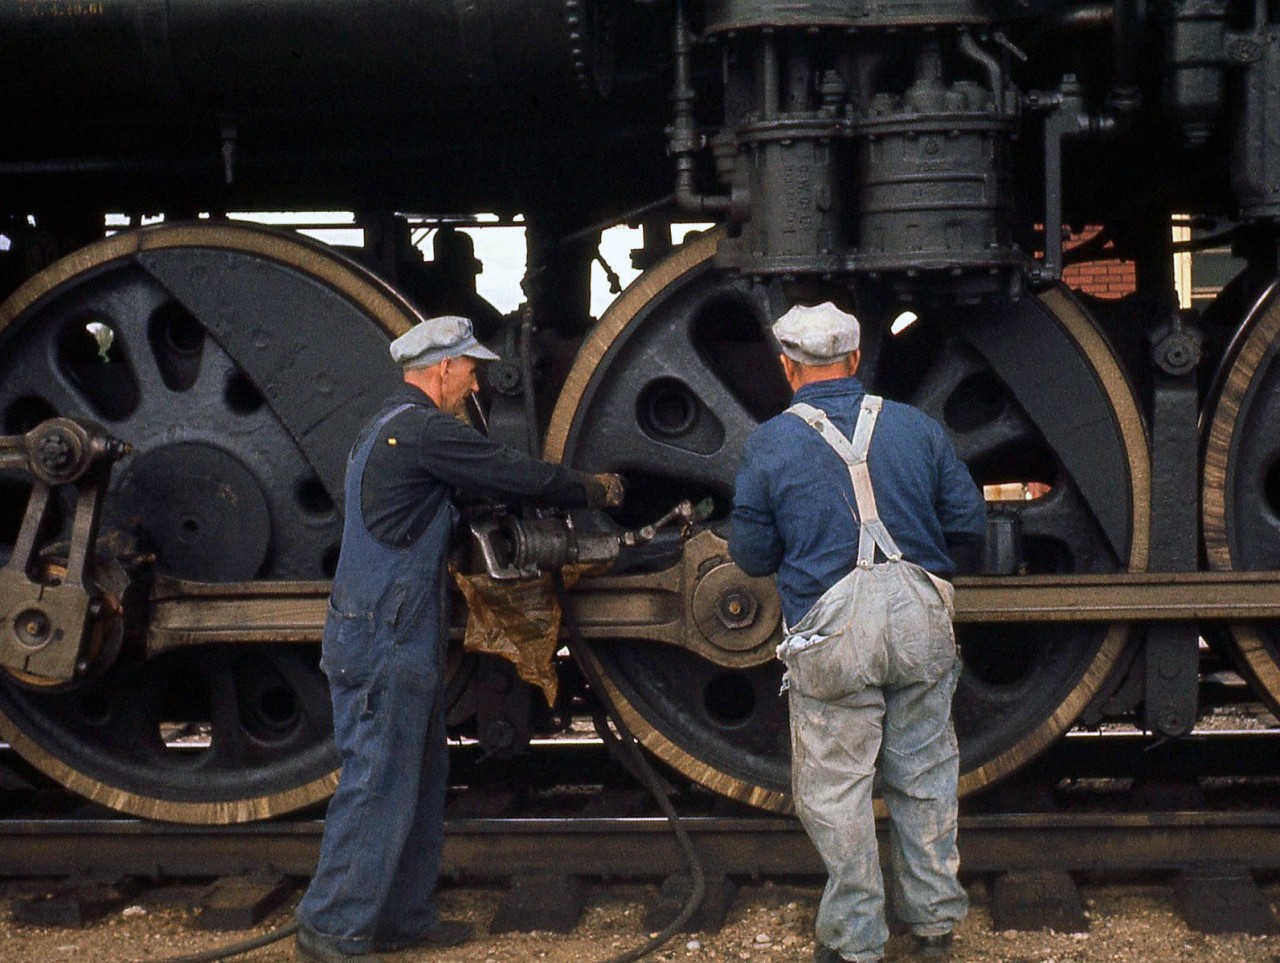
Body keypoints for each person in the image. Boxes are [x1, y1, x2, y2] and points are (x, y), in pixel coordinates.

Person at [294, 315, 624, 963]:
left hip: (397, 629)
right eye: (469, 367)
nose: (476, 378)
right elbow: (509, 472)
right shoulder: (420, 430)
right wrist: (590, 487)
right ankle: (332, 926)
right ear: (441, 368)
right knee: (377, 778)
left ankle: (401, 916)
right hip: (383, 635)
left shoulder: (389, 425)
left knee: (417, 774)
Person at [729, 302, 985, 963]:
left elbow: (752, 557)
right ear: (854, 358)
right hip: (920, 613)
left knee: (836, 787)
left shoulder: (770, 444)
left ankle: (855, 940)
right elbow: (968, 522)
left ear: (788, 367)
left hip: (832, 628)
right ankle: (932, 926)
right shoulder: (914, 426)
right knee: (925, 773)